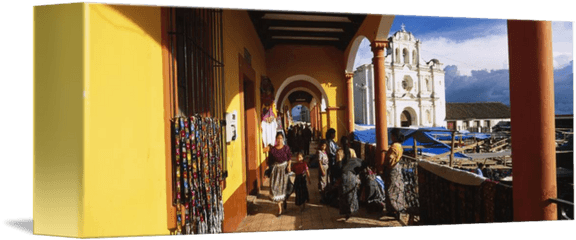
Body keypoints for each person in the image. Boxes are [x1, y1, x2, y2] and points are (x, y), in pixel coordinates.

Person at [380, 128, 406, 219]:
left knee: (392, 190)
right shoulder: (399, 145)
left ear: (394, 136)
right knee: (396, 189)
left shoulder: (394, 146)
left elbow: (390, 159)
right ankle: (393, 210)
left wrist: (385, 165)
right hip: (396, 169)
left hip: (392, 169)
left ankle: (396, 209)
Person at [265, 132, 292, 216]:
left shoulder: (286, 148)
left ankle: (284, 200)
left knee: (285, 188)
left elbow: (289, 158)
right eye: (278, 138)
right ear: (276, 139)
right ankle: (279, 208)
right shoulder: (273, 150)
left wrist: (289, 166)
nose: (279, 140)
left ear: (283, 139)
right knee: (276, 188)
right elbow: (269, 162)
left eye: (281, 138)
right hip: (276, 171)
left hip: (284, 170)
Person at [336, 137, 364, 220]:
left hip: (344, 175)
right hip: (352, 174)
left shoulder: (339, 152)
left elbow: (338, 166)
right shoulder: (352, 151)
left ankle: (346, 211)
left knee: (344, 193)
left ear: (341, 143)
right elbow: (356, 163)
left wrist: (338, 177)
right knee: (352, 193)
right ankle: (352, 209)